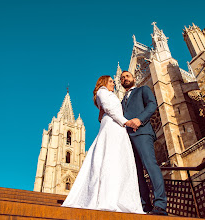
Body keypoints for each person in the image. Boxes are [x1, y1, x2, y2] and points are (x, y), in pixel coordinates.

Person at [61, 75, 144, 214]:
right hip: (114, 126)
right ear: (104, 82)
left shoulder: (107, 94)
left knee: (117, 161)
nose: (114, 84)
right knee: (109, 159)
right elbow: (109, 109)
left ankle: (117, 198)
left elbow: (104, 112)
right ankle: (107, 198)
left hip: (116, 127)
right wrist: (126, 122)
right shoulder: (102, 92)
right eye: (111, 81)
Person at [120, 70, 168, 216]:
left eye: (127, 76)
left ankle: (160, 204)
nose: (125, 79)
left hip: (142, 132)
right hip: (127, 138)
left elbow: (152, 105)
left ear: (133, 78)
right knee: (136, 173)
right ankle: (144, 205)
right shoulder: (121, 101)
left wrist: (139, 120)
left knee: (150, 165)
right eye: (122, 78)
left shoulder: (143, 90)